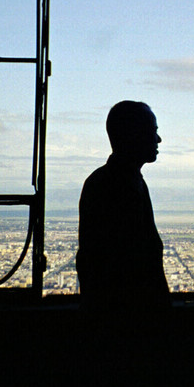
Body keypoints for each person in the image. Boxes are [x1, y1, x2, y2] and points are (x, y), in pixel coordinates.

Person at [76, 101, 170, 312]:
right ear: (134, 134)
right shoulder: (116, 186)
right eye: (152, 131)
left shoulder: (114, 181)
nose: (158, 139)